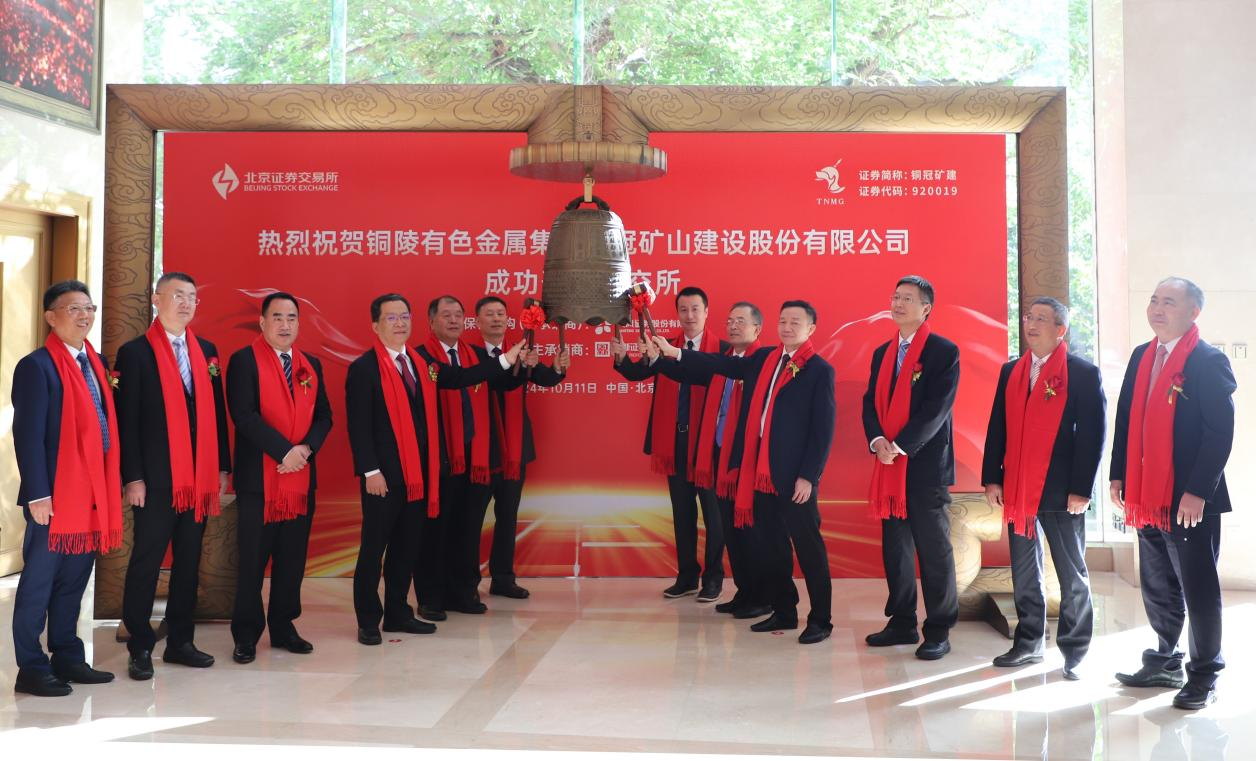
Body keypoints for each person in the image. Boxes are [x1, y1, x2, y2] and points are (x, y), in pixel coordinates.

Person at [653, 300, 836, 644]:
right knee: (772, 547)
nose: (787, 327)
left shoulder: (819, 370)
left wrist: (809, 476)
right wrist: (675, 353)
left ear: (811, 329)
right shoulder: (766, 359)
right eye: (783, 320)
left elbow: (823, 431)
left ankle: (821, 620)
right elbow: (721, 364)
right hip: (761, 473)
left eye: (795, 322)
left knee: (809, 549)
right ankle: (784, 610)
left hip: (795, 478)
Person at [346, 294, 519, 644]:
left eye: (404, 316)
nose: (400, 323)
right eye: (391, 318)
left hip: (418, 477)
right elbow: (359, 427)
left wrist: (506, 360)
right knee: (373, 550)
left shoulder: (421, 362)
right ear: (375, 325)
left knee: (406, 548)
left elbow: (461, 377)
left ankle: (398, 613)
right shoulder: (364, 368)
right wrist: (369, 471)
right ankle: (368, 620)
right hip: (383, 478)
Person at [1110, 277, 1235, 710]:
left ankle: (1204, 675)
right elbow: (1126, 418)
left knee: (1198, 588)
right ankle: (1165, 659)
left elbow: (1220, 433)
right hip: (1146, 493)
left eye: (1169, 302)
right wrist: (1119, 474)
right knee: (1158, 583)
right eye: (1153, 300)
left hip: (1189, 499)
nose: (1157, 309)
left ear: (1193, 312)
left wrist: (1198, 490)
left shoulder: (1208, 361)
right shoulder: (1141, 356)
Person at [981, 296, 1104, 679]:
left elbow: (1092, 436)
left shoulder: (1082, 373)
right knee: (1024, 571)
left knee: (1071, 574)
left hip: (1061, 491)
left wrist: (1082, 489)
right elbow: (997, 426)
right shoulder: (1011, 371)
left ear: (1060, 329)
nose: (1031, 324)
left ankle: (1076, 651)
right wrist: (992, 477)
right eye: (1028, 317)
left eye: (1041, 319)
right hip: (1018, 489)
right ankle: (1029, 642)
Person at [117, 272, 230, 680]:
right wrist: (133, 476)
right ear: (156, 299)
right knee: (146, 562)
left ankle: (181, 641)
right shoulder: (135, 353)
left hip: (198, 478)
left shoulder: (207, 351)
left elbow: (218, 412)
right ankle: (139, 646)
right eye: (177, 295)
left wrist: (222, 466)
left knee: (188, 561)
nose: (185, 303)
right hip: (155, 481)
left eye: (192, 297)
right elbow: (127, 422)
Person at [11, 280, 123, 696]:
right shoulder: (36, 366)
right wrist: (38, 494)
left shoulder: (95, 361)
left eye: (88, 308)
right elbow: (28, 435)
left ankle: (67, 656)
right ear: (50, 317)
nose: (84, 316)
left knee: (74, 582)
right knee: (38, 584)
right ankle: (31, 666)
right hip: (54, 498)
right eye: (74, 308)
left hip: (90, 495)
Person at [226, 292, 333, 664]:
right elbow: (244, 415)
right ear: (262, 321)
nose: (285, 325)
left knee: (292, 561)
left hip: (300, 479)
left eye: (291, 318)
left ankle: (284, 627)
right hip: (259, 482)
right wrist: (283, 451)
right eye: (277, 317)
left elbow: (325, 416)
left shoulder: (310, 364)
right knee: (252, 562)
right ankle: (245, 634)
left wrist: (305, 450)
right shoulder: (244, 361)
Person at [862, 275, 960, 660]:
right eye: (895, 296)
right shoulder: (882, 353)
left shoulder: (943, 352)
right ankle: (902, 622)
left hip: (924, 467)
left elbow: (937, 409)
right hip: (888, 466)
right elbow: (870, 403)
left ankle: (938, 629)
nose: (898, 303)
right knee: (897, 550)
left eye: (907, 298)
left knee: (934, 552)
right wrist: (877, 441)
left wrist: (900, 446)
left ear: (926, 308)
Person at [613, 286, 728, 602]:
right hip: (675, 440)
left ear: (706, 312)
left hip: (708, 445)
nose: (689, 316)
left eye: (695, 309)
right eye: (683, 310)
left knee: (714, 515)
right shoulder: (663, 346)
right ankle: (687, 577)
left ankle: (713, 578)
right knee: (682, 512)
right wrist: (622, 358)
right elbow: (637, 372)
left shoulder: (722, 350)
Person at [415, 295, 522, 618]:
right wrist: (504, 360)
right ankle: (431, 598)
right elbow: (457, 379)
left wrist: (524, 364)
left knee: (467, 530)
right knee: (436, 531)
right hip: (441, 459)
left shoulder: (474, 354)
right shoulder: (422, 357)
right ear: (431, 321)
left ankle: (463, 593)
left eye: (458, 315)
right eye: (446, 315)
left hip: (474, 458)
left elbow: (505, 384)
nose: (453, 321)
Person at [473, 296, 569, 599]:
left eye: (501, 314)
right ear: (477, 322)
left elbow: (544, 378)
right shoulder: (469, 355)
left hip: (514, 452)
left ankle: (503, 578)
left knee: (508, 516)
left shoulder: (522, 350)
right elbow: (495, 382)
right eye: (489, 314)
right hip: (481, 451)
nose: (496, 319)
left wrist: (556, 369)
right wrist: (512, 362)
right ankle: (467, 582)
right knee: (472, 519)